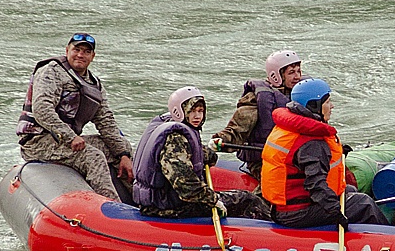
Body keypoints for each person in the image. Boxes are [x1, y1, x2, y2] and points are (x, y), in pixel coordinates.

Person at [16, 31, 133, 200]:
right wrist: (70, 137)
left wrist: (123, 154)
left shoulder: (93, 84)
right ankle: (112, 208)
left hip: (65, 142)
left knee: (121, 150)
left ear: (93, 56)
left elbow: (106, 121)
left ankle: (142, 202)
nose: (80, 55)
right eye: (76, 50)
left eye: (86, 51)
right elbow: (42, 110)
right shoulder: (51, 72)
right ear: (67, 50)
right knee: (93, 157)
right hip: (38, 141)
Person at [260, 78, 382, 229]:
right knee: (363, 204)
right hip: (297, 213)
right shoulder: (312, 142)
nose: (332, 106)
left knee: (350, 190)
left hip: (283, 207)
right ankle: (393, 238)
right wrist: (335, 212)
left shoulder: (287, 128)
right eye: (328, 102)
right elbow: (315, 184)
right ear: (314, 106)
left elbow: (298, 158)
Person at [132, 88, 270, 220]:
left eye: (201, 111)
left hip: (161, 201)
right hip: (168, 208)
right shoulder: (175, 139)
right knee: (247, 200)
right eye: (192, 111)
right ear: (180, 111)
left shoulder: (167, 125)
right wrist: (213, 200)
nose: (197, 116)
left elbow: (191, 152)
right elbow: (185, 185)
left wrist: (208, 154)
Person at [213, 49, 304, 178]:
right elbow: (237, 129)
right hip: (263, 160)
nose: (298, 77)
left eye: (299, 71)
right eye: (291, 73)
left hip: (297, 158)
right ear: (276, 75)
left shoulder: (304, 94)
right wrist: (220, 140)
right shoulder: (257, 99)